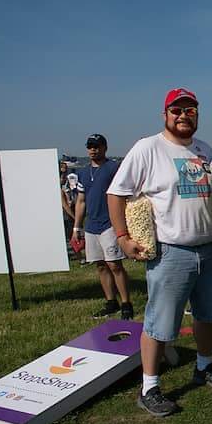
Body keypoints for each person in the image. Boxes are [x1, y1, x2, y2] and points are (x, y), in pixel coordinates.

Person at [107, 88, 212, 417]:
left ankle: (204, 367)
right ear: (165, 114)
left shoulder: (205, 150)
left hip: (209, 247)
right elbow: (116, 194)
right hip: (170, 251)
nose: (183, 115)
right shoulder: (147, 148)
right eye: (176, 110)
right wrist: (122, 237)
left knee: (208, 314)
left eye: (190, 110)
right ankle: (149, 386)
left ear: (197, 115)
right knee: (160, 322)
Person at [72, 134, 133, 320]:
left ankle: (126, 303)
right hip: (91, 225)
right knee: (100, 265)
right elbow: (81, 201)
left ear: (105, 148)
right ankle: (110, 301)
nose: (93, 150)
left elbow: (124, 194)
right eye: (90, 146)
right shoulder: (83, 172)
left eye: (97, 146)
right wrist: (77, 227)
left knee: (114, 264)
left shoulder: (113, 168)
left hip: (109, 223)